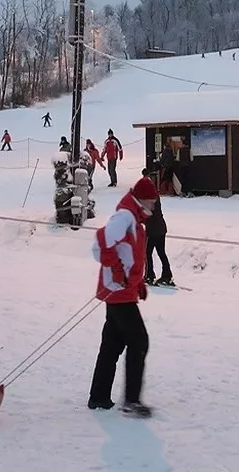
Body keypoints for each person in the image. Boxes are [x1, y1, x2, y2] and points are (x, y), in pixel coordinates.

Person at [88, 175, 158, 417]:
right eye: (151, 201)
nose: (153, 206)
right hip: (117, 290)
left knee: (112, 344)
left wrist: (137, 283)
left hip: (123, 290)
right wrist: (117, 271)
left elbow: (129, 255)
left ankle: (98, 397)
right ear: (142, 199)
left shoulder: (134, 219)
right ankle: (131, 401)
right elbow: (100, 243)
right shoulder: (126, 216)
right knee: (139, 341)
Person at [142, 170, 172, 286]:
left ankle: (149, 275)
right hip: (161, 227)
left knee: (147, 252)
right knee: (161, 252)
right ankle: (167, 274)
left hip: (152, 230)